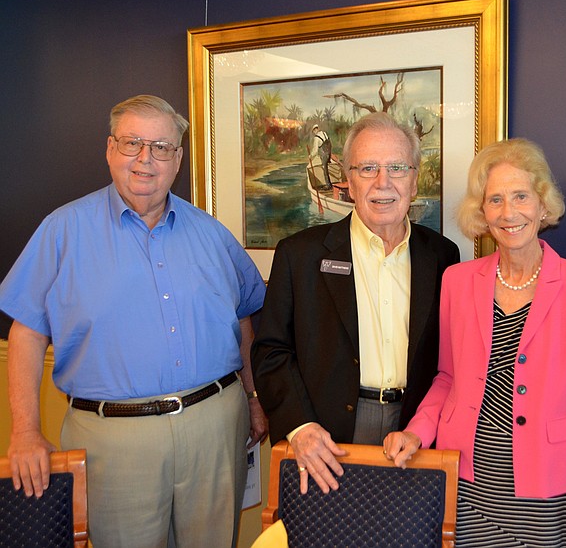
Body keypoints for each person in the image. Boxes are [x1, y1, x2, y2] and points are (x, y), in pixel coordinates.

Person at [0, 95, 268, 548]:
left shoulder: (212, 233)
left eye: (162, 147)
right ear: (110, 149)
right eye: (132, 143)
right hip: (112, 443)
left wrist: (254, 398)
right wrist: (25, 430)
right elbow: (26, 332)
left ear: (177, 159)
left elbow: (242, 318)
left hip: (215, 428)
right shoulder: (62, 231)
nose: (146, 159)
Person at [383, 138, 566, 548]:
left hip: (548, 492)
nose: (509, 212)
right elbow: (447, 377)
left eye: (520, 196)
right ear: (482, 213)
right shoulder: (457, 282)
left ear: (543, 205)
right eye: (495, 200)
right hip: (466, 485)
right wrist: (417, 432)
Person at [251, 112, 460, 494]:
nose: (384, 183)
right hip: (326, 440)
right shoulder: (300, 255)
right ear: (347, 181)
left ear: (414, 180)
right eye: (368, 168)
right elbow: (271, 352)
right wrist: (300, 427)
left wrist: (423, 427)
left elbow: (450, 360)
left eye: (397, 167)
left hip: (414, 433)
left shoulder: (444, 256)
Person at [310, 123, 333, 190]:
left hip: (324, 155)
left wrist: (310, 156)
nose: (314, 132)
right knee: (326, 168)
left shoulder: (316, 138)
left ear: (315, 130)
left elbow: (315, 151)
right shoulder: (324, 133)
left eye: (314, 131)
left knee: (325, 169)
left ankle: (328, 185)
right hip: (329, 153)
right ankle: (329, 184)